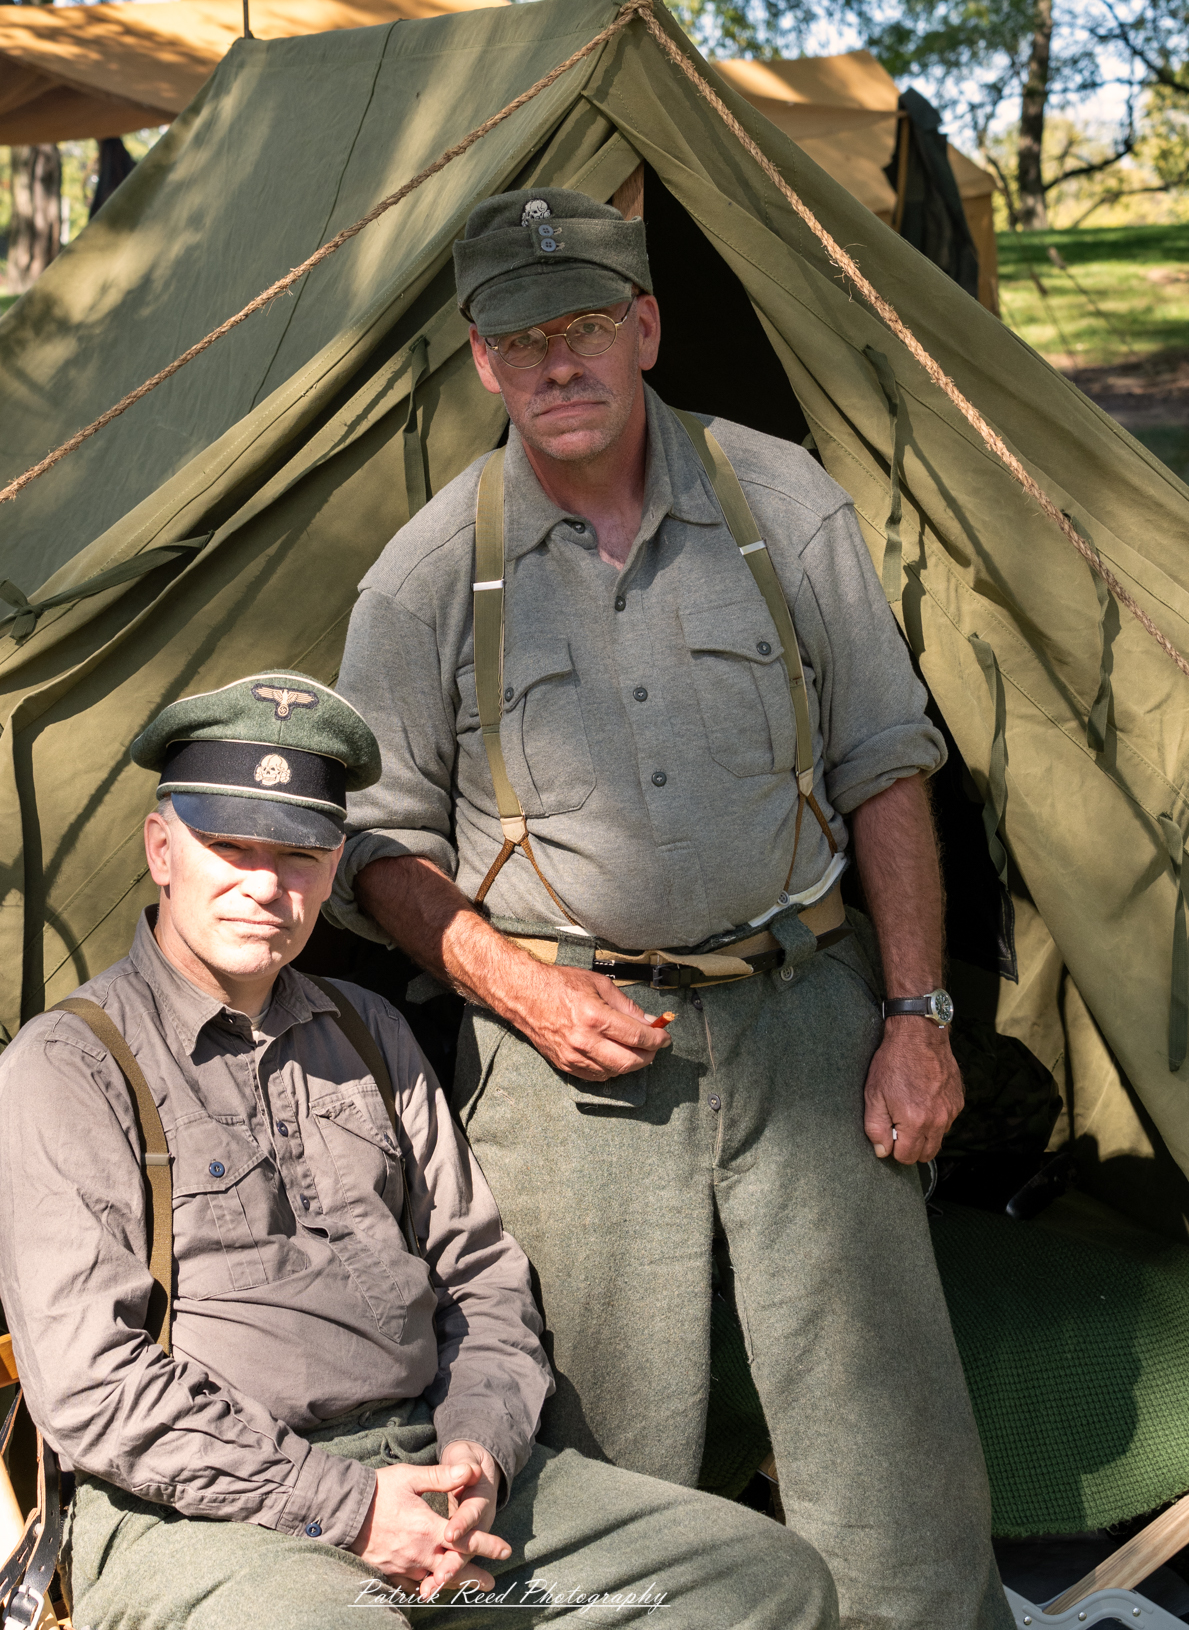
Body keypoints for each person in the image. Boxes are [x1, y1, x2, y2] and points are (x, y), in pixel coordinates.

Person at [327, 188, 1013, 1630]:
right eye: (522, 341)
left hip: (806, 1021)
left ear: (644, 326)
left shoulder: (782, 502)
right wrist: (522, 992)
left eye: (585, 327)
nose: (557, 365)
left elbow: (888, 763)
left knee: (890, 1457)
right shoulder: (428, 570)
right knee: (590, 1452)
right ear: (480, 362)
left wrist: (916, 1015)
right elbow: (380, 849)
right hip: (576, 1065)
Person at [0, 670, 839, 1630]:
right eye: (229, 847)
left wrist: (479, 1451)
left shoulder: (368, 1030)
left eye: (299, 854)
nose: (265, 885)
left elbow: (482, 1278)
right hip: (205, 1519)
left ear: (335, 867)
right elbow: (95, 1389)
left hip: (427, 1475)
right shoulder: (66, 1074)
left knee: (760, 1577)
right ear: (161, 849)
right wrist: (346, 1510)